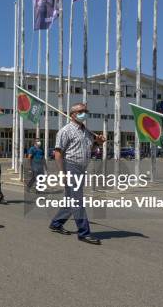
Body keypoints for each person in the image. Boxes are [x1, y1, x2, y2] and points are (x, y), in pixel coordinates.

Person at [49, 103, 105, 245]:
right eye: (81, 111)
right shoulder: (65, 131)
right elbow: (57, 152)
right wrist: (62, 173)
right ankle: (84, 232)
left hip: (81, 168)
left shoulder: (86, 131)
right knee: (77, 200)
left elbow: (90, 150)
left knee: (71, 199)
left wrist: (97, 143)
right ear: (73, 114)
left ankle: (56, 223)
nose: (84, 113)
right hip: (70, 167)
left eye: (86, 111)